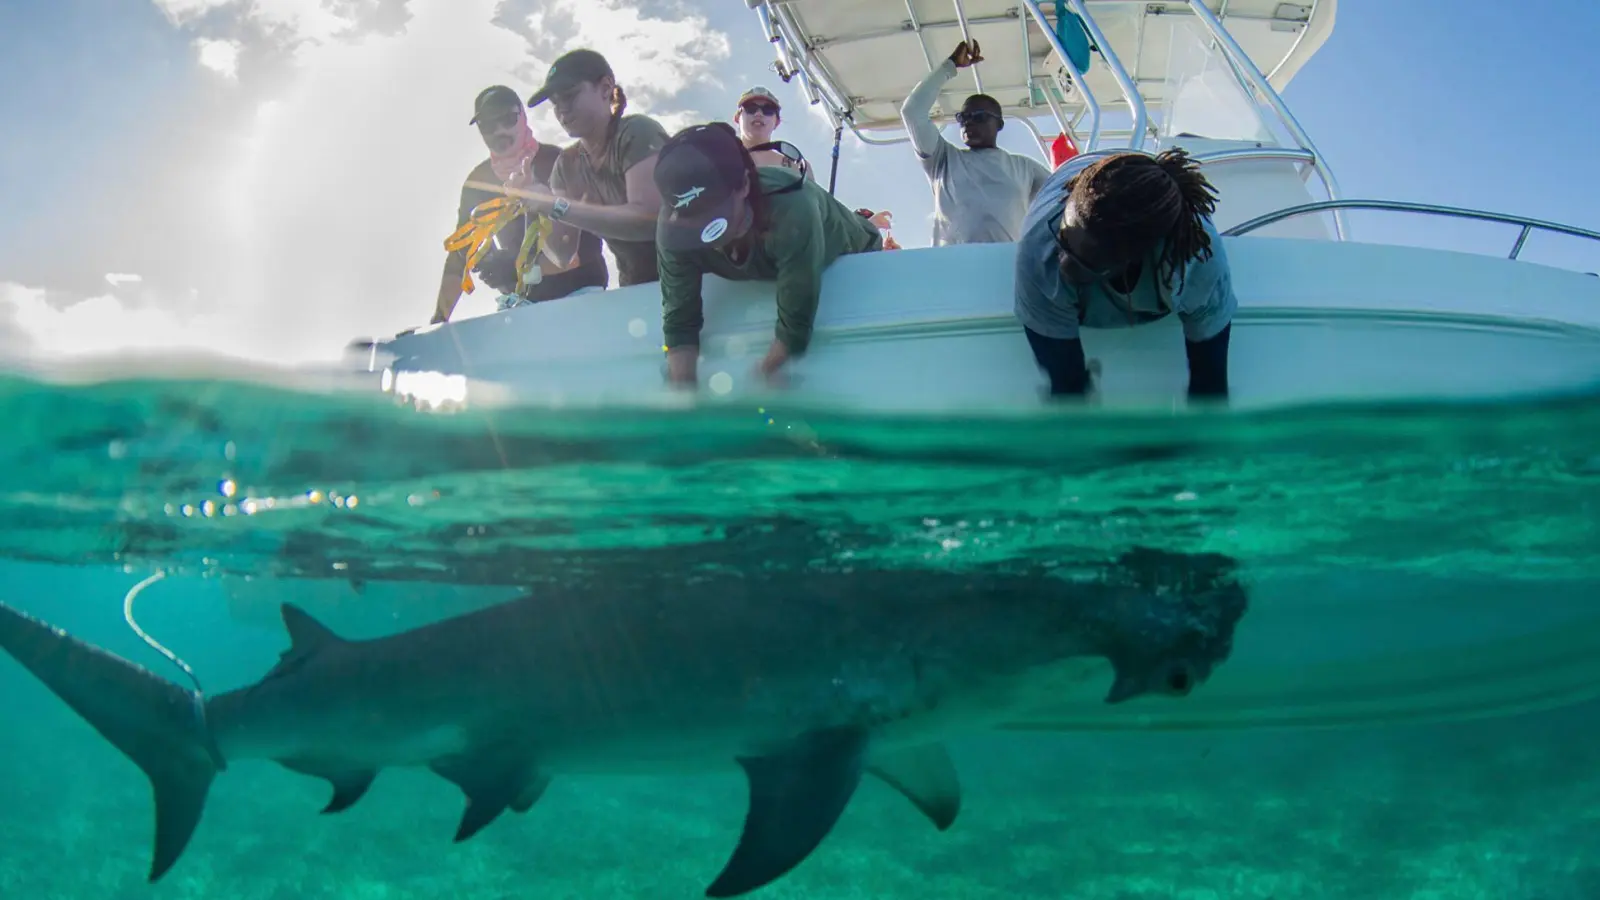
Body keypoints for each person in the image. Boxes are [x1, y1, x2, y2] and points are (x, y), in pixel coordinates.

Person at [651, 122, 884, 387]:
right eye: (694, 225)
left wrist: (761, 379)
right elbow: (679, 321)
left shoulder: (793, 207)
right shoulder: (672, 230)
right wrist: (683, 395)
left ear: (745, 185)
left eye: (716, 219)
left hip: (856, 246)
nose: (710, 239)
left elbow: (794, 326)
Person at [1013, 147, 1236, 401]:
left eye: (1085, 261)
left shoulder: (1196, 261)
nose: (1063, 264)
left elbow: (1211, 384)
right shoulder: (1040, 252)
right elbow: (1066, 393)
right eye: (1065, 240)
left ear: (1132, 258)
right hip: (1089, 179)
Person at [486, 49, 670, 288]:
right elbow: (562, 254)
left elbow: (648, 219)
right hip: (636, 287)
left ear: (605, 89)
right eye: (555, 103)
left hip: (699, 276)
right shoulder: (566, 165)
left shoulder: (636, 132)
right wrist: (536, 200)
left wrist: (557, 205)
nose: (561, 110)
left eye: (570, 96)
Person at [431, 85, 608, 324]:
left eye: (507, 118)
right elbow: (460, 253)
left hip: (582, 294)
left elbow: (584, 250)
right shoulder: (478, 182)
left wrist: (521, 271)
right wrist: (439, 320)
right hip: (521, 304)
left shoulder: (560, 161)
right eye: (488, 125)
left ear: (523, 117)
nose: (499, 130)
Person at [899, 40, 1051, 245]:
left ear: (999, 124)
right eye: (964, 117)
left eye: (978, 116)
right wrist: (950, 65)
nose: (969, 122)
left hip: (1004, 266)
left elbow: (1061, 195)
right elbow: (912, 111)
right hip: (953, 267)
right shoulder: (943, 160)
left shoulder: (1025, 168)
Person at [733, 86, 813, 181]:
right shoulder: (719, 158)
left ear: (777, 122)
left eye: (768, 110)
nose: (759, 114)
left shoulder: (798, 167)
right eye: (751, 108)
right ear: (737, 118)